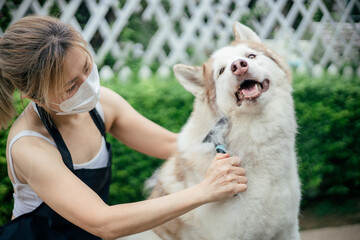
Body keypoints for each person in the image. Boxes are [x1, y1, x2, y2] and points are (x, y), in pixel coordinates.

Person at [0, 15, 247, 239]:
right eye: (71, 86)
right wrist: (204, 191)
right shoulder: (30, 145)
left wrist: (235, 125)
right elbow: (104, 223)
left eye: (86, 67)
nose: (88, 85)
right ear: (34, 97)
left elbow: (172, 145)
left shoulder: (102, 105)